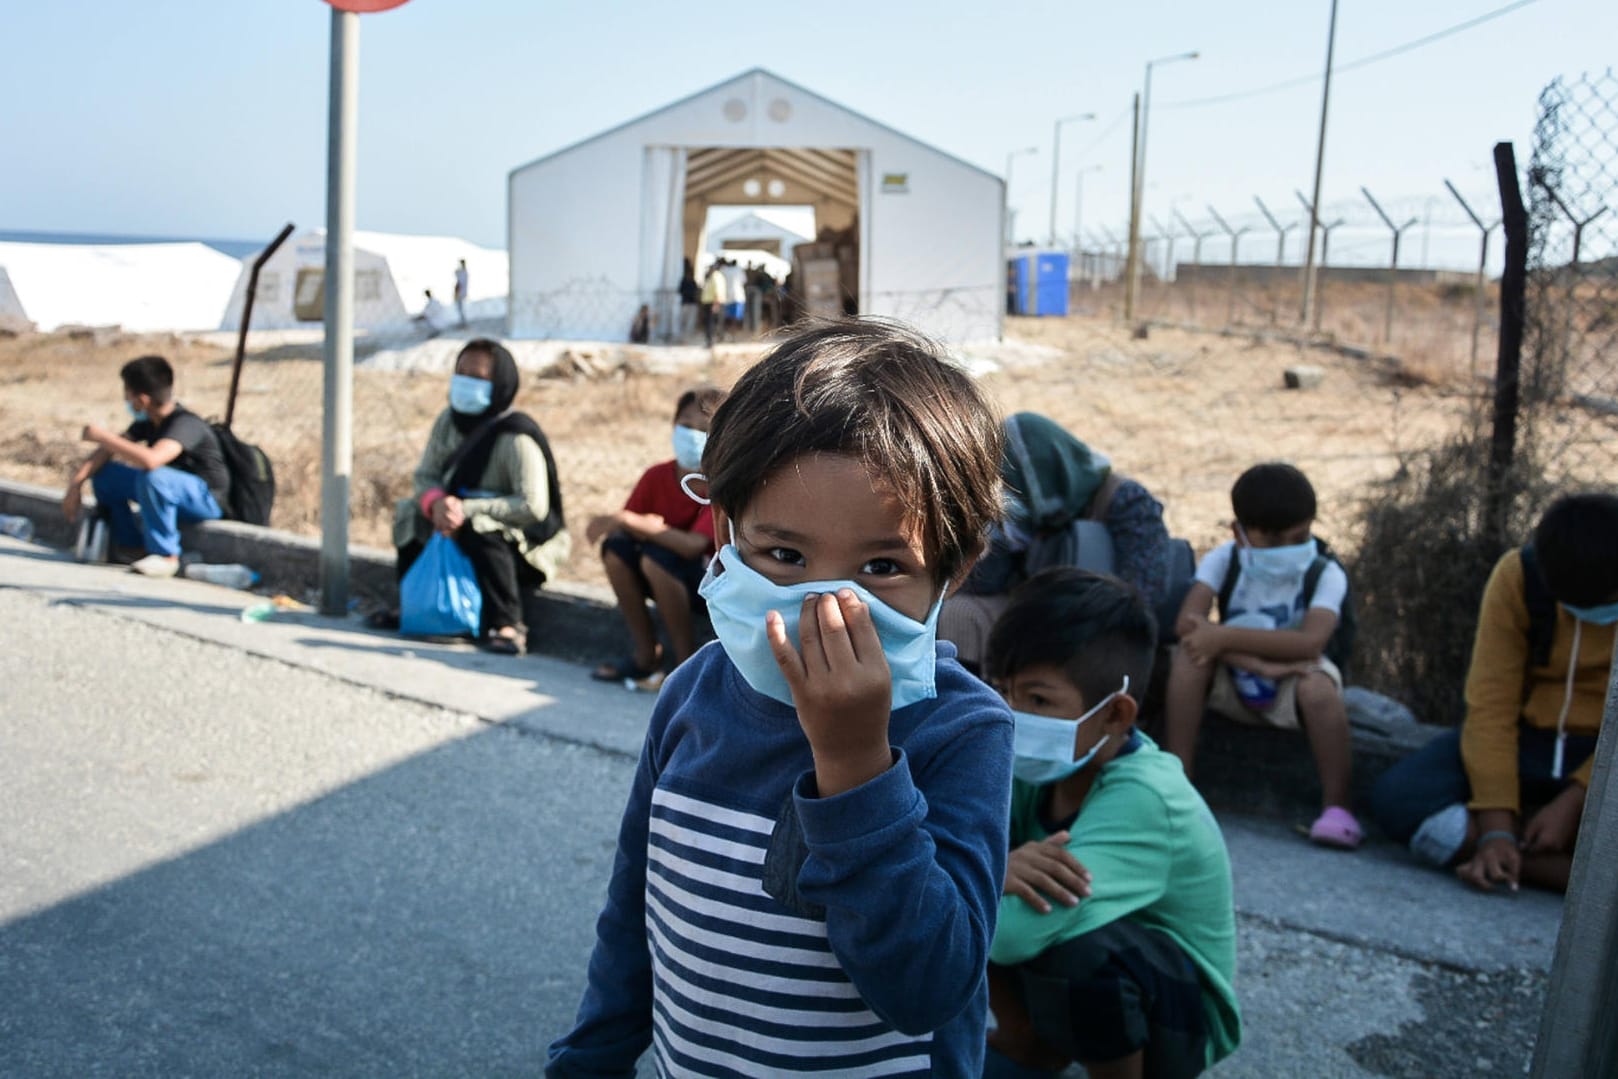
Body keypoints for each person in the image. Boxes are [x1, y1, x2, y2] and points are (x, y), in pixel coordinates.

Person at [546, 319, 1014, 1076]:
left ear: (955, 569)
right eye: (785, 555)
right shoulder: (693, 693)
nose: (826, 604)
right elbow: (633, 916)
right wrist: (588, 1057)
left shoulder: (962, 730)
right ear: (726, 530)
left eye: (882, 565)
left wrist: (856, 765)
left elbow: (929, 988)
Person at [983, 568, 1240, 1079]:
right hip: (1101, 976)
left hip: (1180, 1017)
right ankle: (1028, 1043)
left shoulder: (1146, 796)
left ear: (1116, 715)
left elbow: (1007, 934)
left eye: (1038, 700)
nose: (1013, 714)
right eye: (1003, 691)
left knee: (1072, 948)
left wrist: (987, 873)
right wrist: (994, 869)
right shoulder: (1040, 772)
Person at [1370, 493, 1618, 893]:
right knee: (1400, 798)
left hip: (1604, 755)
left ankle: (1526, 862)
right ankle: (1542, 862)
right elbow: (1490, 704)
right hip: (1525, 743)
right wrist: (1495, 827)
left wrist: (1575, 801)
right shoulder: (1520, 576)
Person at [1160, 463, 1360, 849]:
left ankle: (1339, 807)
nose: (1288, 550)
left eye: (1299, 537)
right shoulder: (1225, 559)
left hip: (1294, 679)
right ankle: (1177, 783)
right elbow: (1189, 623)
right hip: (1237, 675)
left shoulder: (1325, 572)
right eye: (1273, 541)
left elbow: (1310, 642)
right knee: (1189, 658)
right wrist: (1256, 663)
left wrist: (1223, 637)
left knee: (1320, 689)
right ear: (1239, 533)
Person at [940, 412, 1177, 674]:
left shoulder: (1123, 499)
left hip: (1095, 619)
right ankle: (969, 706)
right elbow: (986, 581)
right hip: (1030, 608)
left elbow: (1146, 587)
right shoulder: (1023, 512)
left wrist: (1070, 618)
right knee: (959, 612)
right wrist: (1001, 529)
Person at [380, 338, 570, 654]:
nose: (466, 383)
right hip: (450, 520)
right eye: (462, 373)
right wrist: (437, 503)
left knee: (480, 526)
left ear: (500, 385)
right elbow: (425, 476)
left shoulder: (516, 436)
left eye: (479, 378)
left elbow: (533, 505)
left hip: (522, 543)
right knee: (410, 513)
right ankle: (412, 605)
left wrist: (466, 509)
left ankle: (507, 623)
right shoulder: (448, 422)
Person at [586, 384, 726, 689]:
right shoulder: (657, 476)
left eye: (703, 430)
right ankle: (645, 654)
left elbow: (692, 547)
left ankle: (687, 668)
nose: (692, 435)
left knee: (656, 559)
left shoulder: (719, 483)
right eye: (686, 426)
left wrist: (636, 522)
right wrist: (638, 525)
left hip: (708, 584)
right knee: (616, 549)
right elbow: (626, 533)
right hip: (663, 575)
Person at [61, 354, 228, 578]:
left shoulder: (186, 423)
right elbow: (106, 453)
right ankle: (131, 546)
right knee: (106, 476)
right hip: (168, 490)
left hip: (205, 499)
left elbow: (152, 459)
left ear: (142, 399)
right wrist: (76, 483)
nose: (127, 402)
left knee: (153, 475)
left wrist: (102, 436)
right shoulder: (147, 423)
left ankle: (166, 556)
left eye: (128, 395)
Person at [699, 261, 728, 347]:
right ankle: (713, 340)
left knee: (710, 323)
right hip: (712, 302)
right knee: (713, 323)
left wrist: (716, 304)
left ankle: (710, 342)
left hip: (713, 303)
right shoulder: (715, 276)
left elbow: (718, 291)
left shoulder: (715, 276)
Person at [676, 257, 700, 342]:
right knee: (685, 322)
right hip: (687, 303)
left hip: (689, 303)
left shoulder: (690, 281)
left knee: (686, 322)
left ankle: (685, 338)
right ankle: (684, 338)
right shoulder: (686, 281)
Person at [453, 258, 469, 327]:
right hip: (462, 293)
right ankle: (463, 322)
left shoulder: (463, 273)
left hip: (460, 293)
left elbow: (459, 284)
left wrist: (456, 293)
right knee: (461, 309)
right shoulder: (465, 272)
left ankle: (463, 323)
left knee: (460, 309)